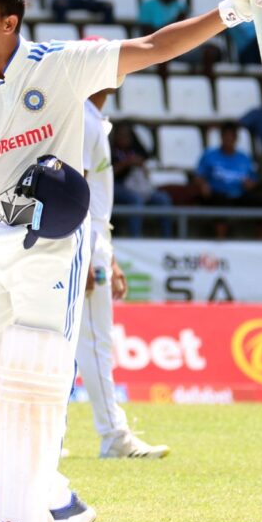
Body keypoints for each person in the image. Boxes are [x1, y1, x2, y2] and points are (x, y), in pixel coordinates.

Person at [0, 0, 262, 522]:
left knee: (35, 381)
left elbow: (153, 47)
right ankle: (56, 501)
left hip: (51, 242)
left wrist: (229, 13)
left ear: (10, 21)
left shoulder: (60, 64)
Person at [77, 86, 169, 459]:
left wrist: (108, 256)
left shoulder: (91, 118)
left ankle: (51, 441)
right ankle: (114, 436)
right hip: (82, 245)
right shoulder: (83, 120)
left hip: (90, 243)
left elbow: (94, 202)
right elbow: (74, 193)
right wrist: (84, 253)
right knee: (95, 344)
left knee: (70, 346)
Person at [110, 121, 172, 238]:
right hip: (117, 185)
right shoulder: (110, 150)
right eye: (121, 135)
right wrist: (125, 163)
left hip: (137, 186)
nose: (124, 138)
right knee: (136, 200)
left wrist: (141, 164)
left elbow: (147, 170)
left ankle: (167, 238)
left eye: (127, 135)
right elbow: (107, 174)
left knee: (163, 199)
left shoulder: (136, 148)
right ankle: (135, 238)